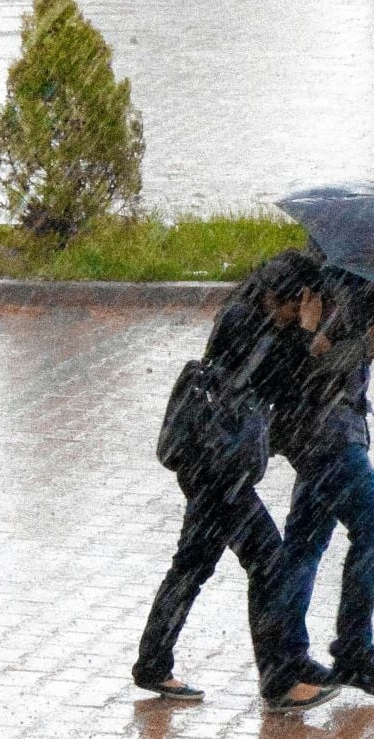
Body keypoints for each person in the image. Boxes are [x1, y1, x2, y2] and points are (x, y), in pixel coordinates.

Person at [132, 249, 340, 713]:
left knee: (193, 564)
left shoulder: (249, 316)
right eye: (301, 304)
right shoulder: (248, 324)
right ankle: (279, 681)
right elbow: (283, 383)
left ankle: (153, 663)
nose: (302, 312)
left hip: (209, 462)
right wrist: (307, 338)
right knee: (268, 562)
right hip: (217, 469)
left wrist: (305, 339)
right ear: (284, 297)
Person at [262, 266, 374, 698]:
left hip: (321, 433)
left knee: (305, 543)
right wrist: (365, 347)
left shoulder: (362, 276)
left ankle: (287, 656)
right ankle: (352, 652)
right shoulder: (337, 284)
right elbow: (311, 370)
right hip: (327, 436)